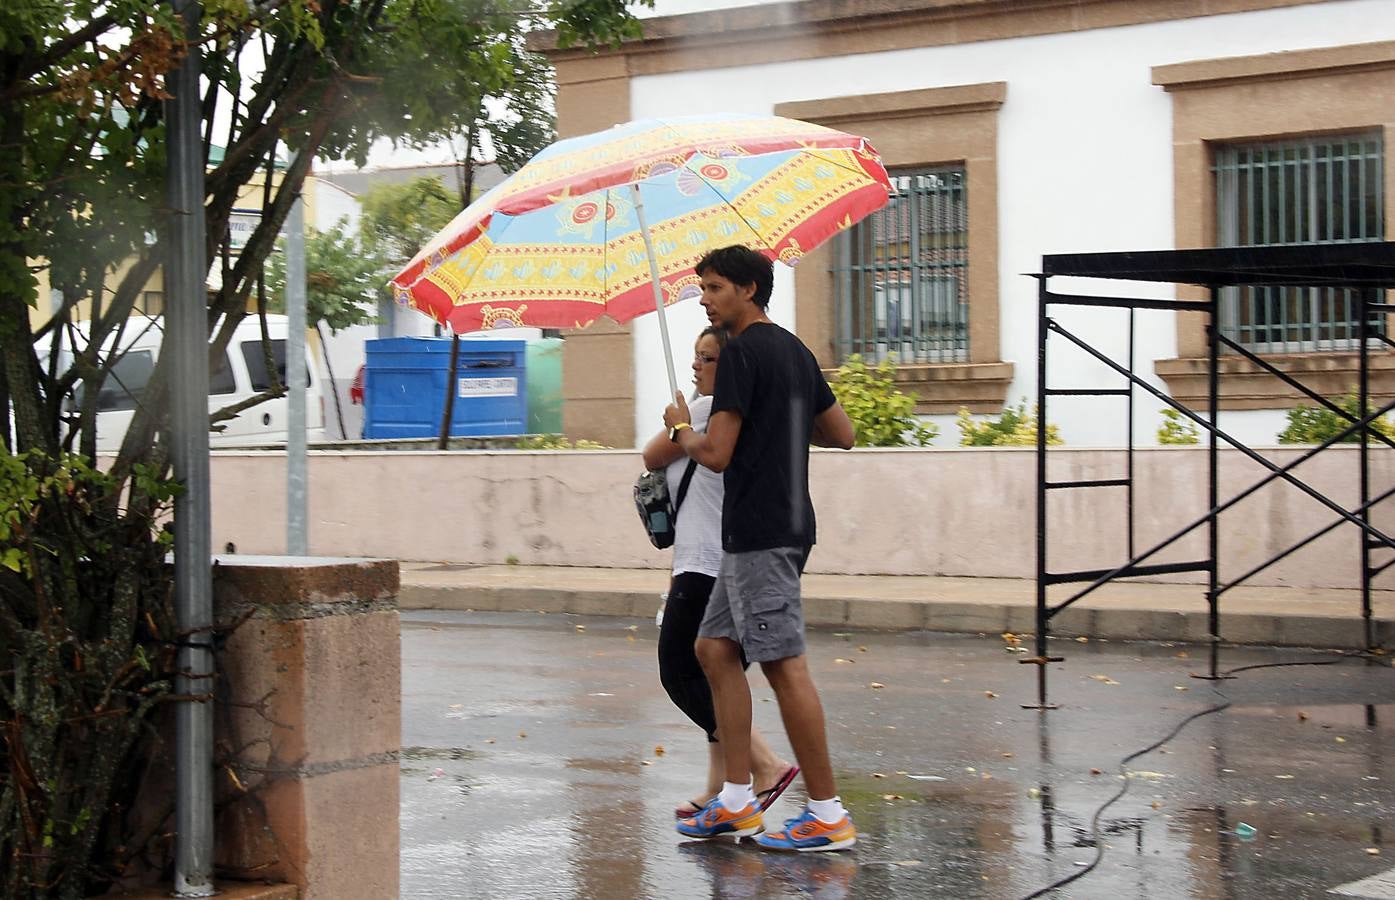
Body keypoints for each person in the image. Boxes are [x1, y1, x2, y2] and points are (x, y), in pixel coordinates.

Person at [664, 245, 857, 852]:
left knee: (781, 665)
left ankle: (827, 814)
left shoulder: (744, 351)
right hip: (778, 526)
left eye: (715, 287)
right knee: (713, 649)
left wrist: (680, 427)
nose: (705, 298)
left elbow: (715, 453)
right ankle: (736, 803)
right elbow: (841, 434)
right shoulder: (795, 350)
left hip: (762, 531)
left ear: (749, 289)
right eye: (703, 288)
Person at [641, 326, 799, 820]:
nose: (696, 366)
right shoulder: (714, 413)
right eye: (695, 357)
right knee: (715, 679)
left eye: (708, 359)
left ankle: (763, 763)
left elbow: (651, 455)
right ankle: (720, 788)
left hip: (707, 565)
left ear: (728, 369)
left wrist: (677, 424)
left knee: (679, 670)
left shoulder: (708, 414)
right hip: (701, 558)